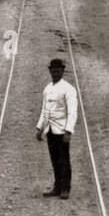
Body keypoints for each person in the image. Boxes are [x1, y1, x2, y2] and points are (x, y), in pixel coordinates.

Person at [35, 58, 78, 199]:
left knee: (64, 160)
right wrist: (40, 128)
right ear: (49, 71)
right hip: (50, 130)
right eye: (53, 71)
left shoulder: (69, 89)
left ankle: (66, 188)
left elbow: (72, 112)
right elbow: (44, 110)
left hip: (62, 131)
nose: (55, 74)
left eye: (58, 71)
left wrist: (68, 131)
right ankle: (57, 187)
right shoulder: (47, 89)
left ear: (63, 71)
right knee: (54, 159)